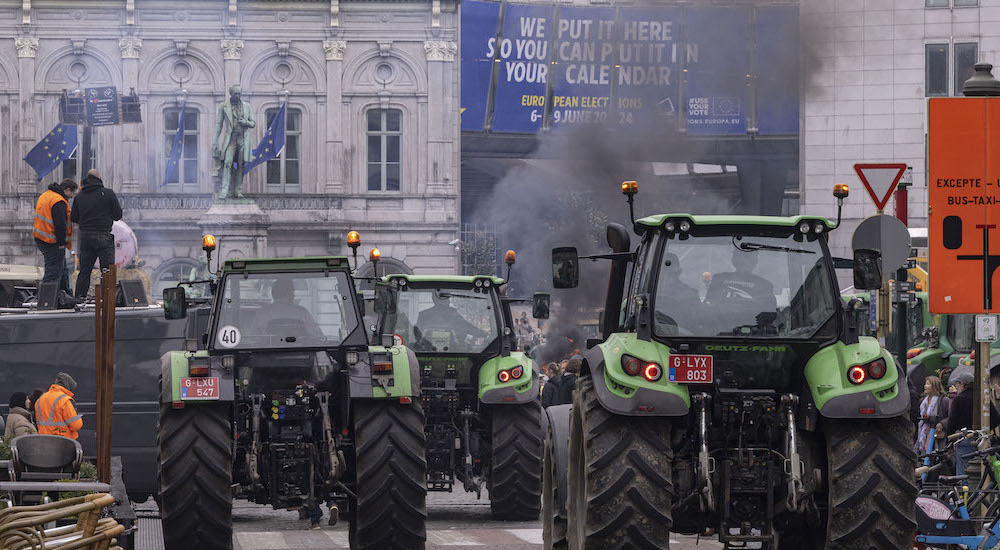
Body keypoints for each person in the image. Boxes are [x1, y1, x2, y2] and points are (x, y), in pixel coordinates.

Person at [71, 169, 122, 299]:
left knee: (84, 271)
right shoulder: (108, 193)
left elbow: (74, 218)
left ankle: (79, 299)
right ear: (99, 178)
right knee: (107, 271)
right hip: (103, 235)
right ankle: (108, 299)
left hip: (86, 236)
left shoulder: (79, 196)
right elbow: (118, 215)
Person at [33, 179, 79, 299]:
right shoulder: (58, 201)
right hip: (52, 241)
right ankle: (45, 300)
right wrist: (61, 243)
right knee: (53, 272)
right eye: (72, 194)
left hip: (42, 238)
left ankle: (67, 296)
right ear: (67, 190)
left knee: (62, 269)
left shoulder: (46, 195)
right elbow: (60, 225)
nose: (72, 197)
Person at [937, 370, 974, 475]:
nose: (956, 387)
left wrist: (950, 441)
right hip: (982, 439)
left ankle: (965, 491)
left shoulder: (959, 399)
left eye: (957, 384)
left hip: (964, 438)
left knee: (964, 472)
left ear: (962, 384)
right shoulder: (982, 397)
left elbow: (952, 421)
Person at [35, 373, 83, 440]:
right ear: (68, 387)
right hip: (62, 442)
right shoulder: (64, 400)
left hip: (43, 441)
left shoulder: (41, 399)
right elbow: (75, 425)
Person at [914, 376, 949, 456]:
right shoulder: (923, 402)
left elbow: (951, 417)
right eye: (925, 384)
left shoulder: (944, 400)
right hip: (925, 435)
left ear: (934, 386)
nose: (925, 386)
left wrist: (942, 424)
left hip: (938, 436)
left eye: (928, 384)